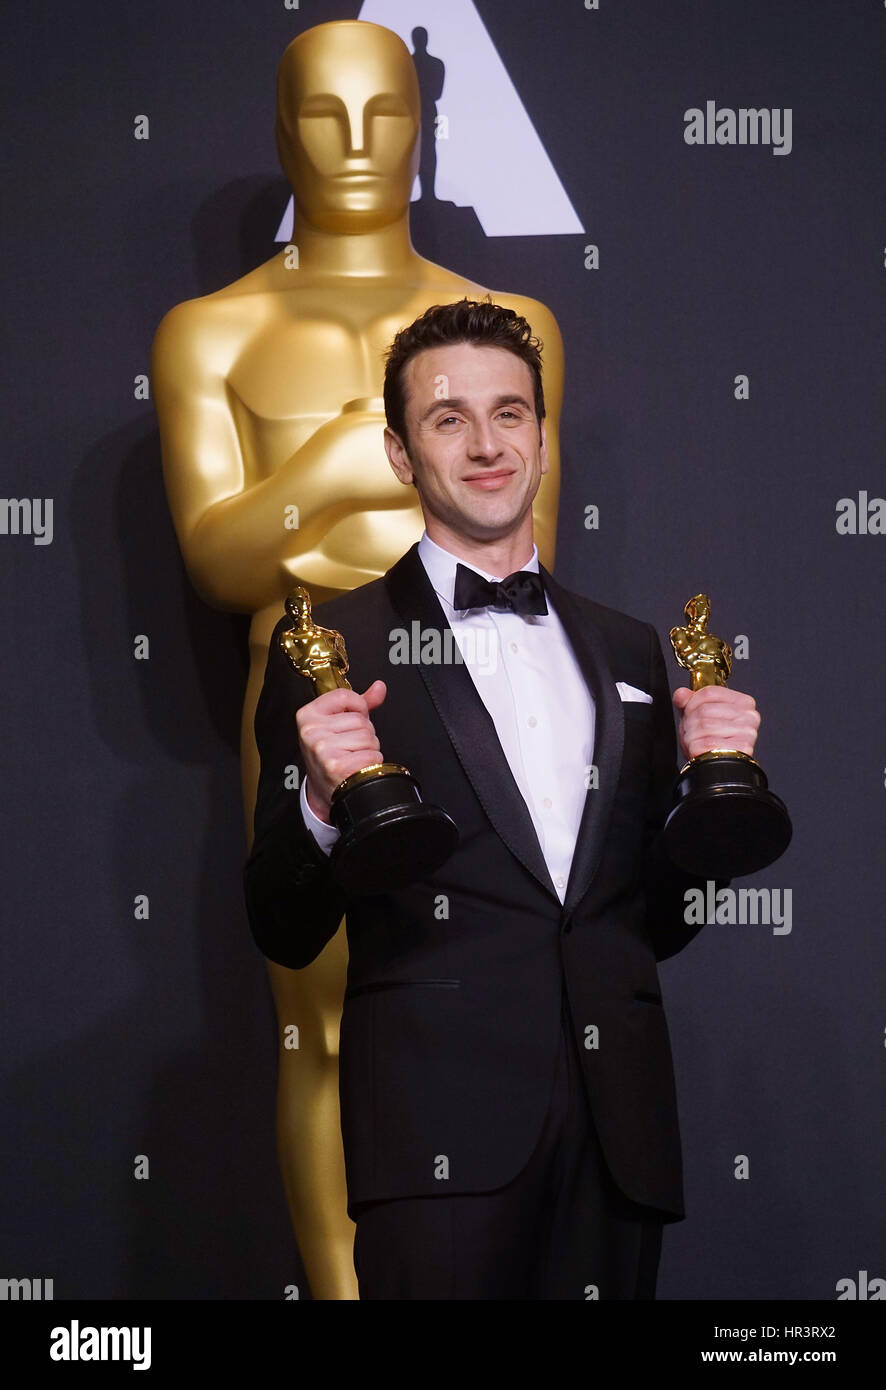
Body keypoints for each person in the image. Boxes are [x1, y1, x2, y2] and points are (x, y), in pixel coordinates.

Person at [243, 298, 761, 1299]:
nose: (486, 444)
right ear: (400, 454)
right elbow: (281, 922)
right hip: (437, 1137)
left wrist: (711, 802)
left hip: (620, 1139)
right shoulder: (333, 649)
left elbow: (653, 918)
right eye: (448, 419)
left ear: (541, 433)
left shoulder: (627, 648)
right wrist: (315, 797)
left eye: (510, 413)